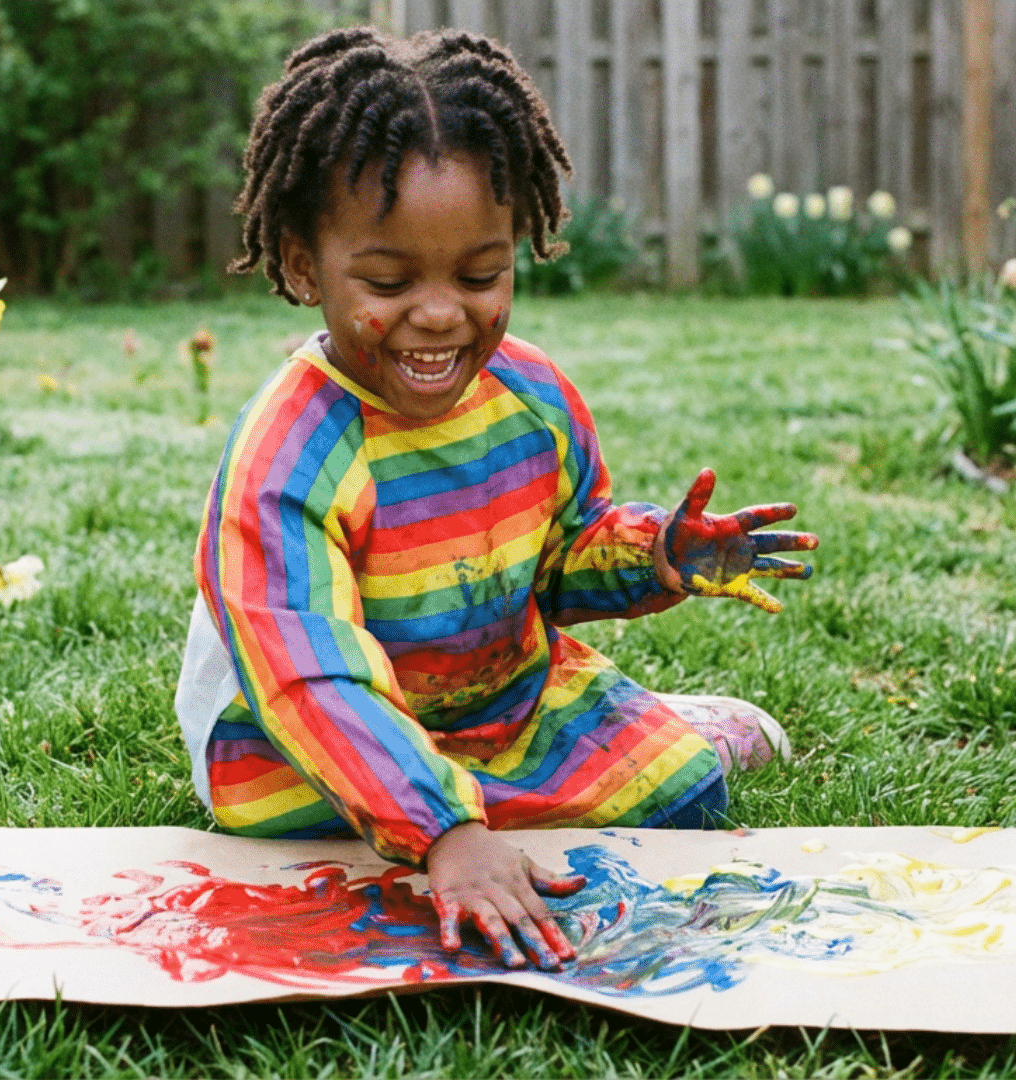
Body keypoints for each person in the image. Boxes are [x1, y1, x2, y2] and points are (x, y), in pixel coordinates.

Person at [175, 26, 818, 973]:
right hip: (294, 739)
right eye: (389, 281)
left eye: (481, 275)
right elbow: (311, 678)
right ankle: (450, 797)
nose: (441, 312)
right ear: (304, 265)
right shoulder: (288, 454)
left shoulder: (533, 398)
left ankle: (625, 742)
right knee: (314, 830)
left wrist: (655, 555)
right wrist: (447, 836)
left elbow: (559, 558)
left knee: (684, 795)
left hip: (491, 695)